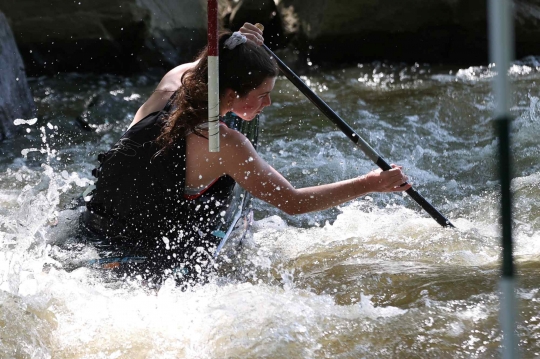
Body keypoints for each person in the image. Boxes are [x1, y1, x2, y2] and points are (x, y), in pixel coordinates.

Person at [81, 23, 411, 287]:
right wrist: (372, 183)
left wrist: (239, 43)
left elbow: (210, 64)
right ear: (229, 93)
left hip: (90, 234)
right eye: (262, 95)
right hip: (144, 272)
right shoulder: (221, 143)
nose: (267, 105)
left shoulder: (174, 82)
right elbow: (293, 202)